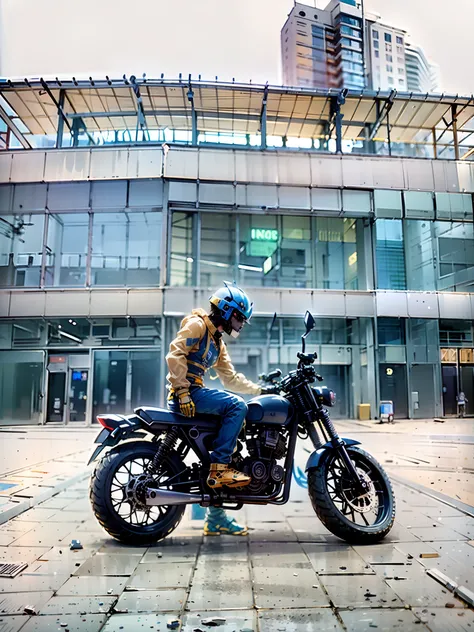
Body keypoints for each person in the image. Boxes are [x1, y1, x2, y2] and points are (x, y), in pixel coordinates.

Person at [166, 281, 274, 536]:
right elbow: (174, 354)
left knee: (232, 444)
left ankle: (216, 518)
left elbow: (230, 378)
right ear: (228, 311)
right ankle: (220, 468)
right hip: (189, 393)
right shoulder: (198, 325)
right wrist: (182, 390)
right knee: (236, 406)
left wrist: (260, 390)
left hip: (195, 393)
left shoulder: (217, 342)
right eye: (240, 318)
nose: (242, 324)